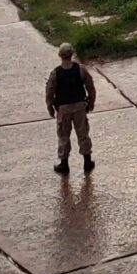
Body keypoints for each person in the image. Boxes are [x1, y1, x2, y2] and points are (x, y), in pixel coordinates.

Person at [44, 43, 96, 175]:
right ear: (72, 54)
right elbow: (90, 86)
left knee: (63, 136)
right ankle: (87, 161)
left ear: (60, 55)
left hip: (63, 109)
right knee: (83, 134)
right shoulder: (80, 69)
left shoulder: (55, 73)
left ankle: (64, 164)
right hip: (79, 106)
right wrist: (91, 102)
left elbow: (49, 92)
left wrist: (50, 107)